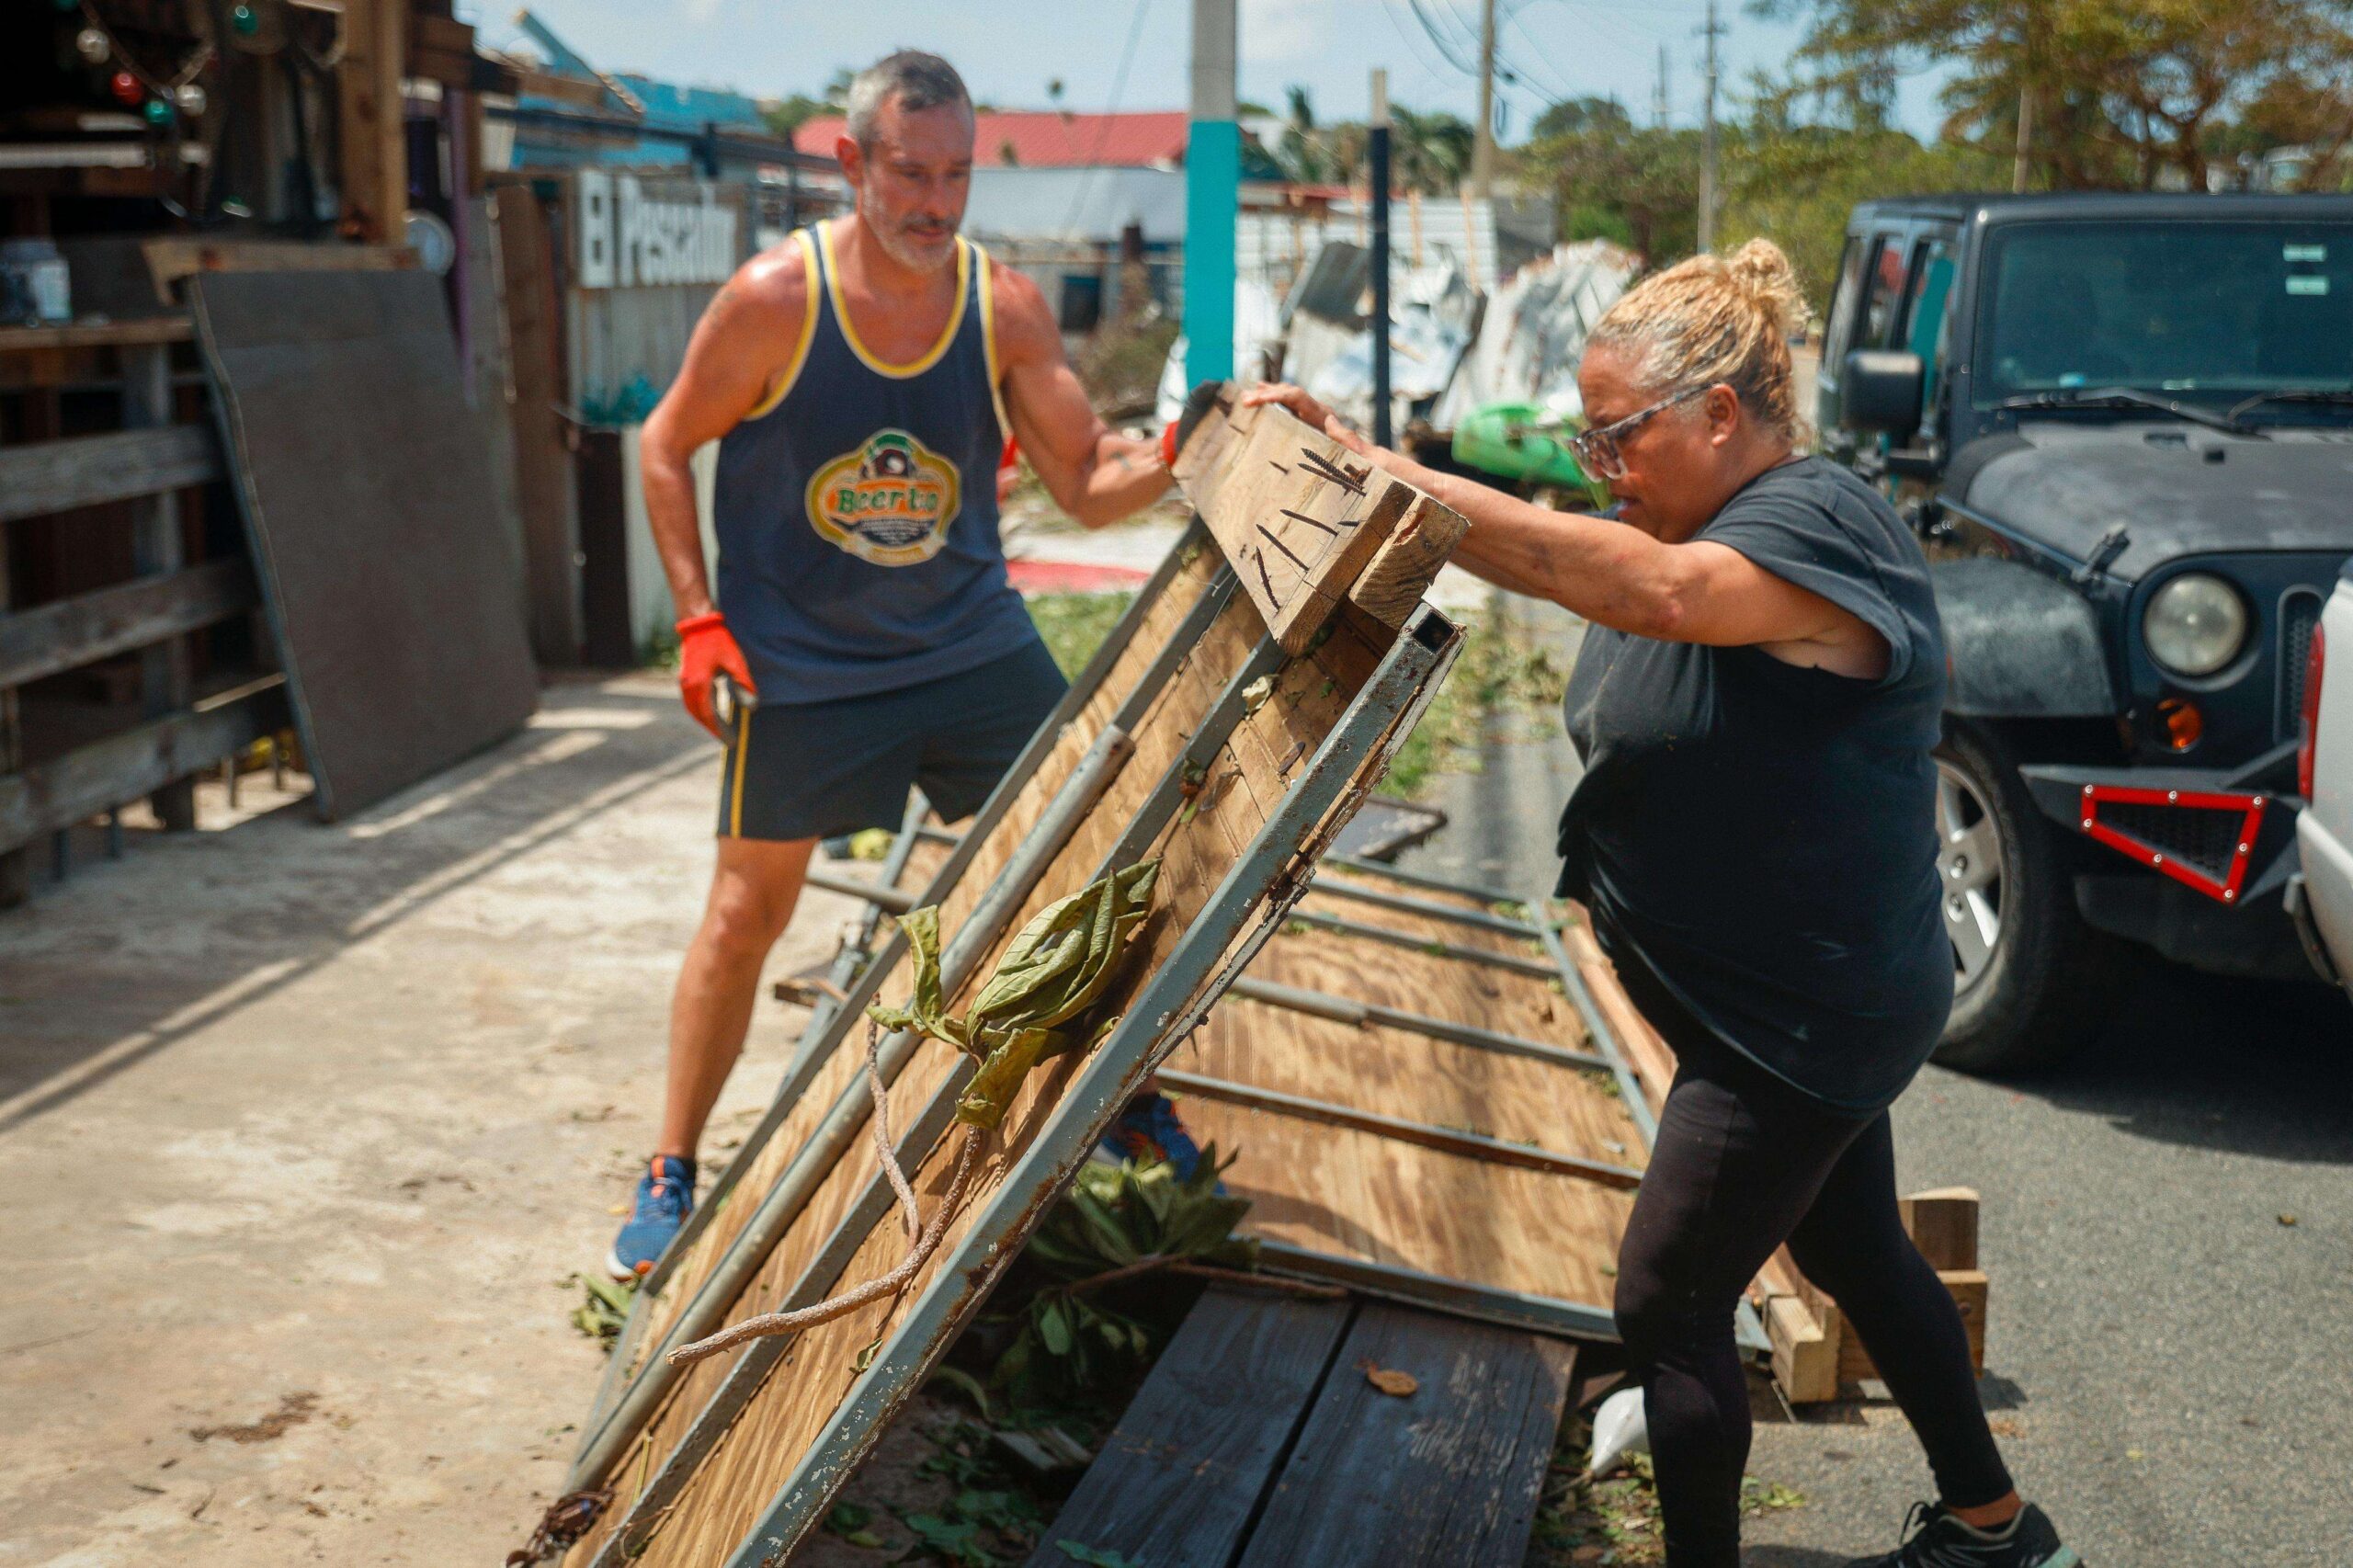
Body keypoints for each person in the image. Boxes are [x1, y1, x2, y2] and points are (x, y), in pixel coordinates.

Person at [1243, 241, 2075, 1568]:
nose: (1601, 469)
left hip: (1793, 1021)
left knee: (1667, 1297)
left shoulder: (1814, 521)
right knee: (1855, 1243)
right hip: (1784, 991)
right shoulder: (1685, 512)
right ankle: (1996, 1527)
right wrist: (1352, 447)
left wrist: (1389, 481)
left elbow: (1641, 593)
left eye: (1616, 436)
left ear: (1721, 415)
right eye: (1587, 441)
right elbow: (1592, 556)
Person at [612, 51, 1199, 1280]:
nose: (935, 204)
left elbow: (1088, 487)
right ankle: (671, 1164)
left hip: (966, 643)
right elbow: (665, 446)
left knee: (1096, 854)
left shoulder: (1004, 308)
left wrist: (1204, 440)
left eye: (957, 176)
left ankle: (1124, 1093)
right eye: (910, 173)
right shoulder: (776, 300)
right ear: (851, 164)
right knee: (744, 914)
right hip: (804, 661)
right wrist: (696, 618)